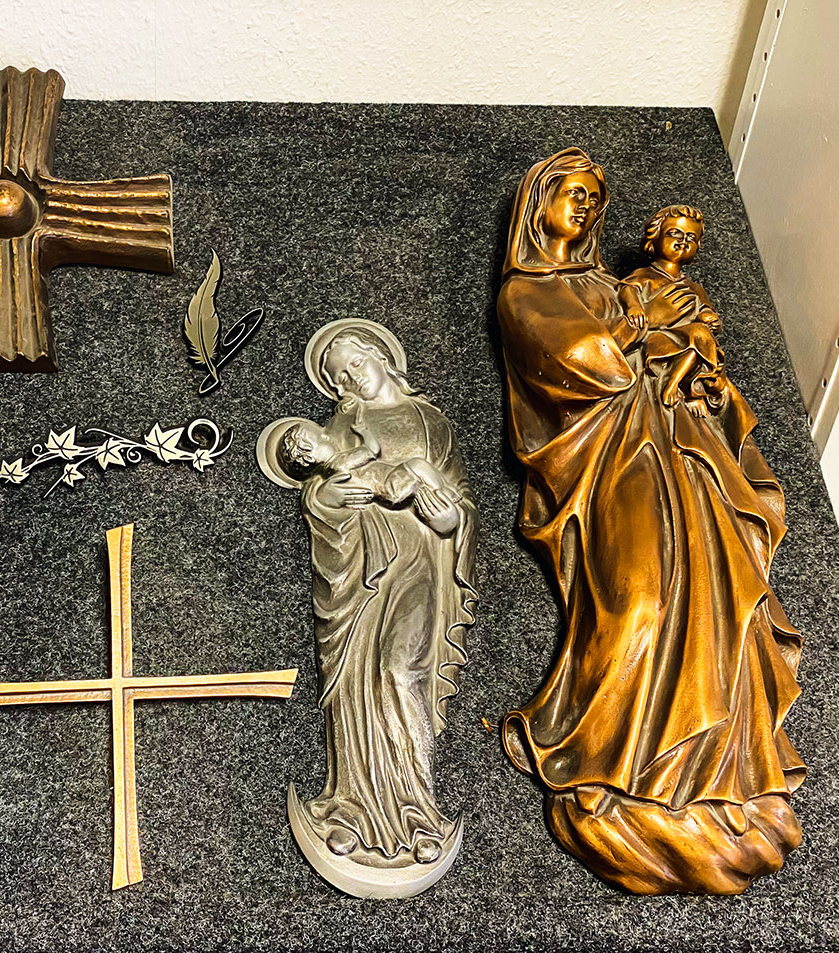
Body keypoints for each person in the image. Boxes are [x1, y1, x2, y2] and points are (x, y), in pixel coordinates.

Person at [497, 148, 805, 894]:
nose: (583, 207)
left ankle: (713, 780)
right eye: (570, 193)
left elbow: (681, 353)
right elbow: (581, 360)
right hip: (607, 461)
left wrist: (697, 373)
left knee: (717, 606)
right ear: (538, 203)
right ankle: (597, 761)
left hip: (677, 452)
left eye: (592, 198)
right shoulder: (525, 292)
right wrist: (642, 320)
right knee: (635, 603)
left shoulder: (614, 285)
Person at [292, 324, 477, 866]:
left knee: (401, 668)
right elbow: (320, 489)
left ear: (378, 355)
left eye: (355, 364)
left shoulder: (431, 422)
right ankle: (352, 809)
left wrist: (451, 521)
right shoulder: (344, 423)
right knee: (357, 677)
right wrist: (328, 498)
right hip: (359, 567)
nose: (351, 379)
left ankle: (417, 810)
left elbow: (461, 500)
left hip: (420, 560)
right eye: (340, 376)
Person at [618, 204, 726, 410]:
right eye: (674, 233)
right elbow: (627, 290)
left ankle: (679, 384)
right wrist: (635, 307)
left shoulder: (694, 288)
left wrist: (710, 319)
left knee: (702, 337)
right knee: (698, 337)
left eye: (691, 237)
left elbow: (705, 310)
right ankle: (673, 382)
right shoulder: (644, 275)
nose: (683, 241)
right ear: (655, 237)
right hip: (657, 340)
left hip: (689, 342)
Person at [277, 420, 461, 534]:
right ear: (310, 458)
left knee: (419, 478)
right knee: (417, 464)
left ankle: (436, 499)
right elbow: (372, 450)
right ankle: (442, 490)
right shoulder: (341, 462)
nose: (329, 437)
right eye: (321, 439)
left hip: (389, 493)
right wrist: (364, 431)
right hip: (391, 483)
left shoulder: (332, 473)